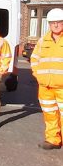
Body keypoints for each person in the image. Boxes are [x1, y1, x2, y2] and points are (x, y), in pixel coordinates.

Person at [31, 8, 63, 150]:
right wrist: (39, 76)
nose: (55, 25)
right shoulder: (42, 41)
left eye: (59, 22)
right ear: (49, 24)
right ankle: (53, 140)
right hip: (45, 87)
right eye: (52, 23)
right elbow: (34, 59)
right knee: (50, 114)